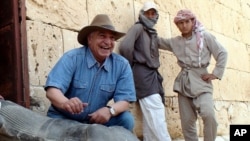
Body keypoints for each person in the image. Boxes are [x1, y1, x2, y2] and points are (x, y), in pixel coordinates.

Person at [44, 14, 136, 132]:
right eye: (102, 36)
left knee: (126, 120)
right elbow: (52, 91)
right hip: (63, 118)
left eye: (112, 38)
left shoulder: (122, 65)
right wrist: (66, 103)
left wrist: (109, 110)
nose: (108, 42)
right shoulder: (72, 58)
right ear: (90, 39)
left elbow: (125, 100)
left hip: (96, 120)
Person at [158, 9, 228, 141]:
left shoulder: (204, 36)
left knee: (209, 116)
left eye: (186, 22)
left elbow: (222, 53)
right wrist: (145, 30)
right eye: (180, 23)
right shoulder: (175, 42)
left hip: (202, 82)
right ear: (177, 25)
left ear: (192, 21)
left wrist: (215, 73)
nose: (183, 25)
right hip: (183, 84)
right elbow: (158, 42)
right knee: (187, 123)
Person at [119, 1, 172, 141]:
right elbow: (125, 47)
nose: (150, 16)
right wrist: (131, 67)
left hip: (151, 76)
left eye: (153, 13)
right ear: (142, 14)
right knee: (156, 113)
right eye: (147, 13)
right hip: (143, 75)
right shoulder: (139, 28)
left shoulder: (151, 32)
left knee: (150, 118)